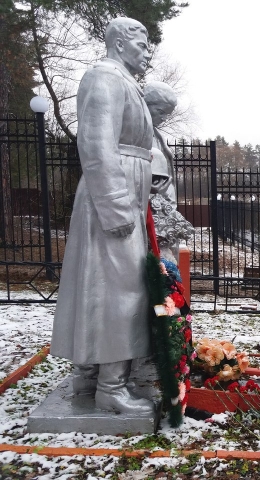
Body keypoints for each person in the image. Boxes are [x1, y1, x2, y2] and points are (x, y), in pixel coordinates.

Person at [50, 17, 155, 414]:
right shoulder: (104, 77)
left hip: (128, 192)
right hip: (113, 196)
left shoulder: (125, 82)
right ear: (119, 43)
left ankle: (90, 378)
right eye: (142, 43)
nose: (147, 51)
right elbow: (96, 142)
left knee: (104, 286)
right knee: (120, 290)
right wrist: (115, 205)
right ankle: (110, 387)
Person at [144, 81, 193, 264]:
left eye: (168, 114)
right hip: (152, 219)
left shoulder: (156, 135)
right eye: (161, 112)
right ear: (147, 105)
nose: (164, 118)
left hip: (164, 216)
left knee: (168, 274)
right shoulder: (137, 133)